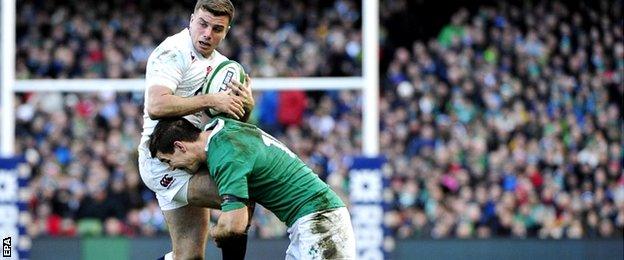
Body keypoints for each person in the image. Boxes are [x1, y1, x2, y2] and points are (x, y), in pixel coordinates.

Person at [138, 0, 254, 259]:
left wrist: (246, 106)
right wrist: (211, 99)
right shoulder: (172, 52)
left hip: (193, 160)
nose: (207, 34)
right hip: (164, 160)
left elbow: (236, 121)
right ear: (191, 19)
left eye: (217, 28)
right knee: (241, 197)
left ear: (227, 31)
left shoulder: (225, 67)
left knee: (189, 257)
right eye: (202, 24)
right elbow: (156, 104)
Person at [149, 117, 356, 260]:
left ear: (180, 146)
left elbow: (234, 225)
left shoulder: (225, 155)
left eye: (168, 160)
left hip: (321, 222)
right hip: (310, 221)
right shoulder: (223, 127)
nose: (172, 167)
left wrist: (217, 230)